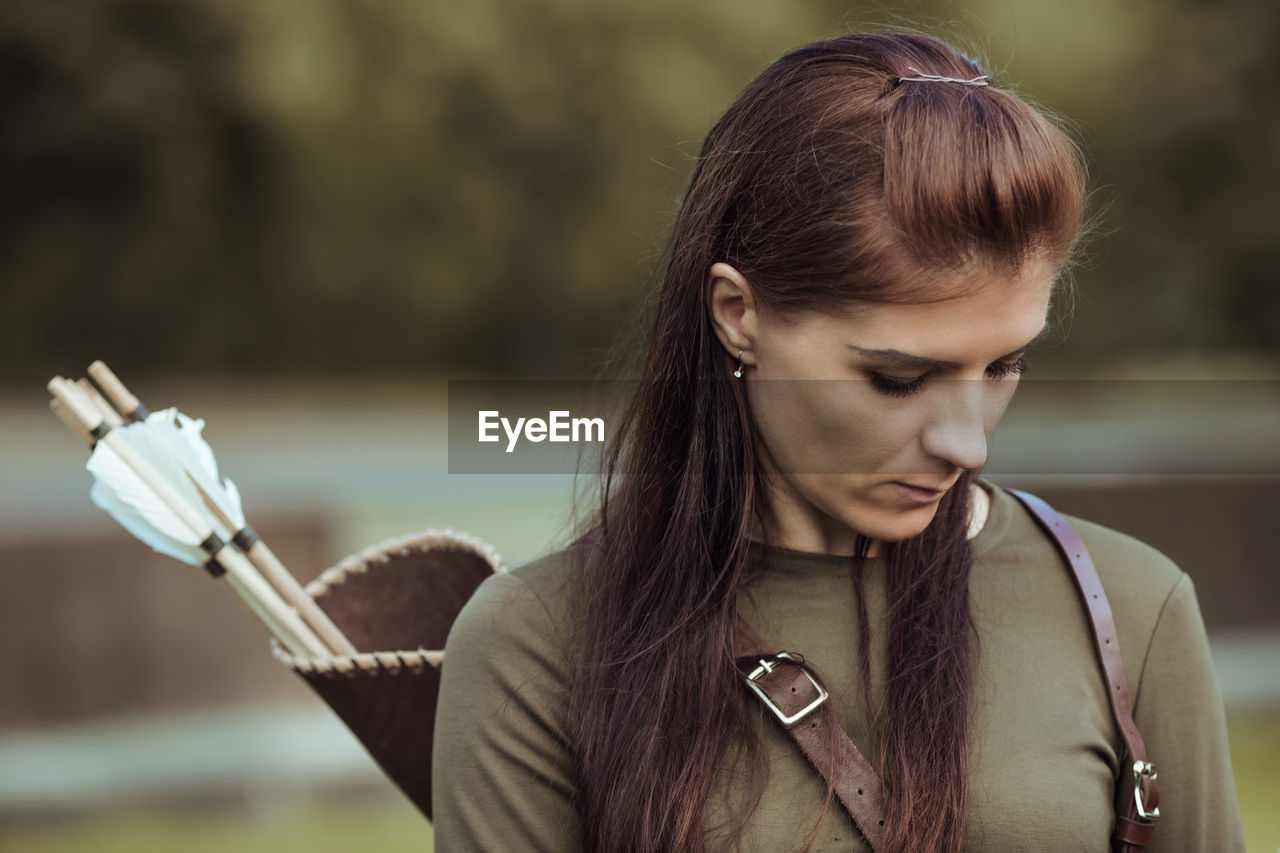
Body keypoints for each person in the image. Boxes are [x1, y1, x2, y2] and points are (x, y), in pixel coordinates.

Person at [431, 32, 1246, 852]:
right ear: (738, 315)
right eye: (898, 377)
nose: (968, 444)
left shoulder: (1129, 607)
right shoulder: (537, 645)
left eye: (1004, 365)